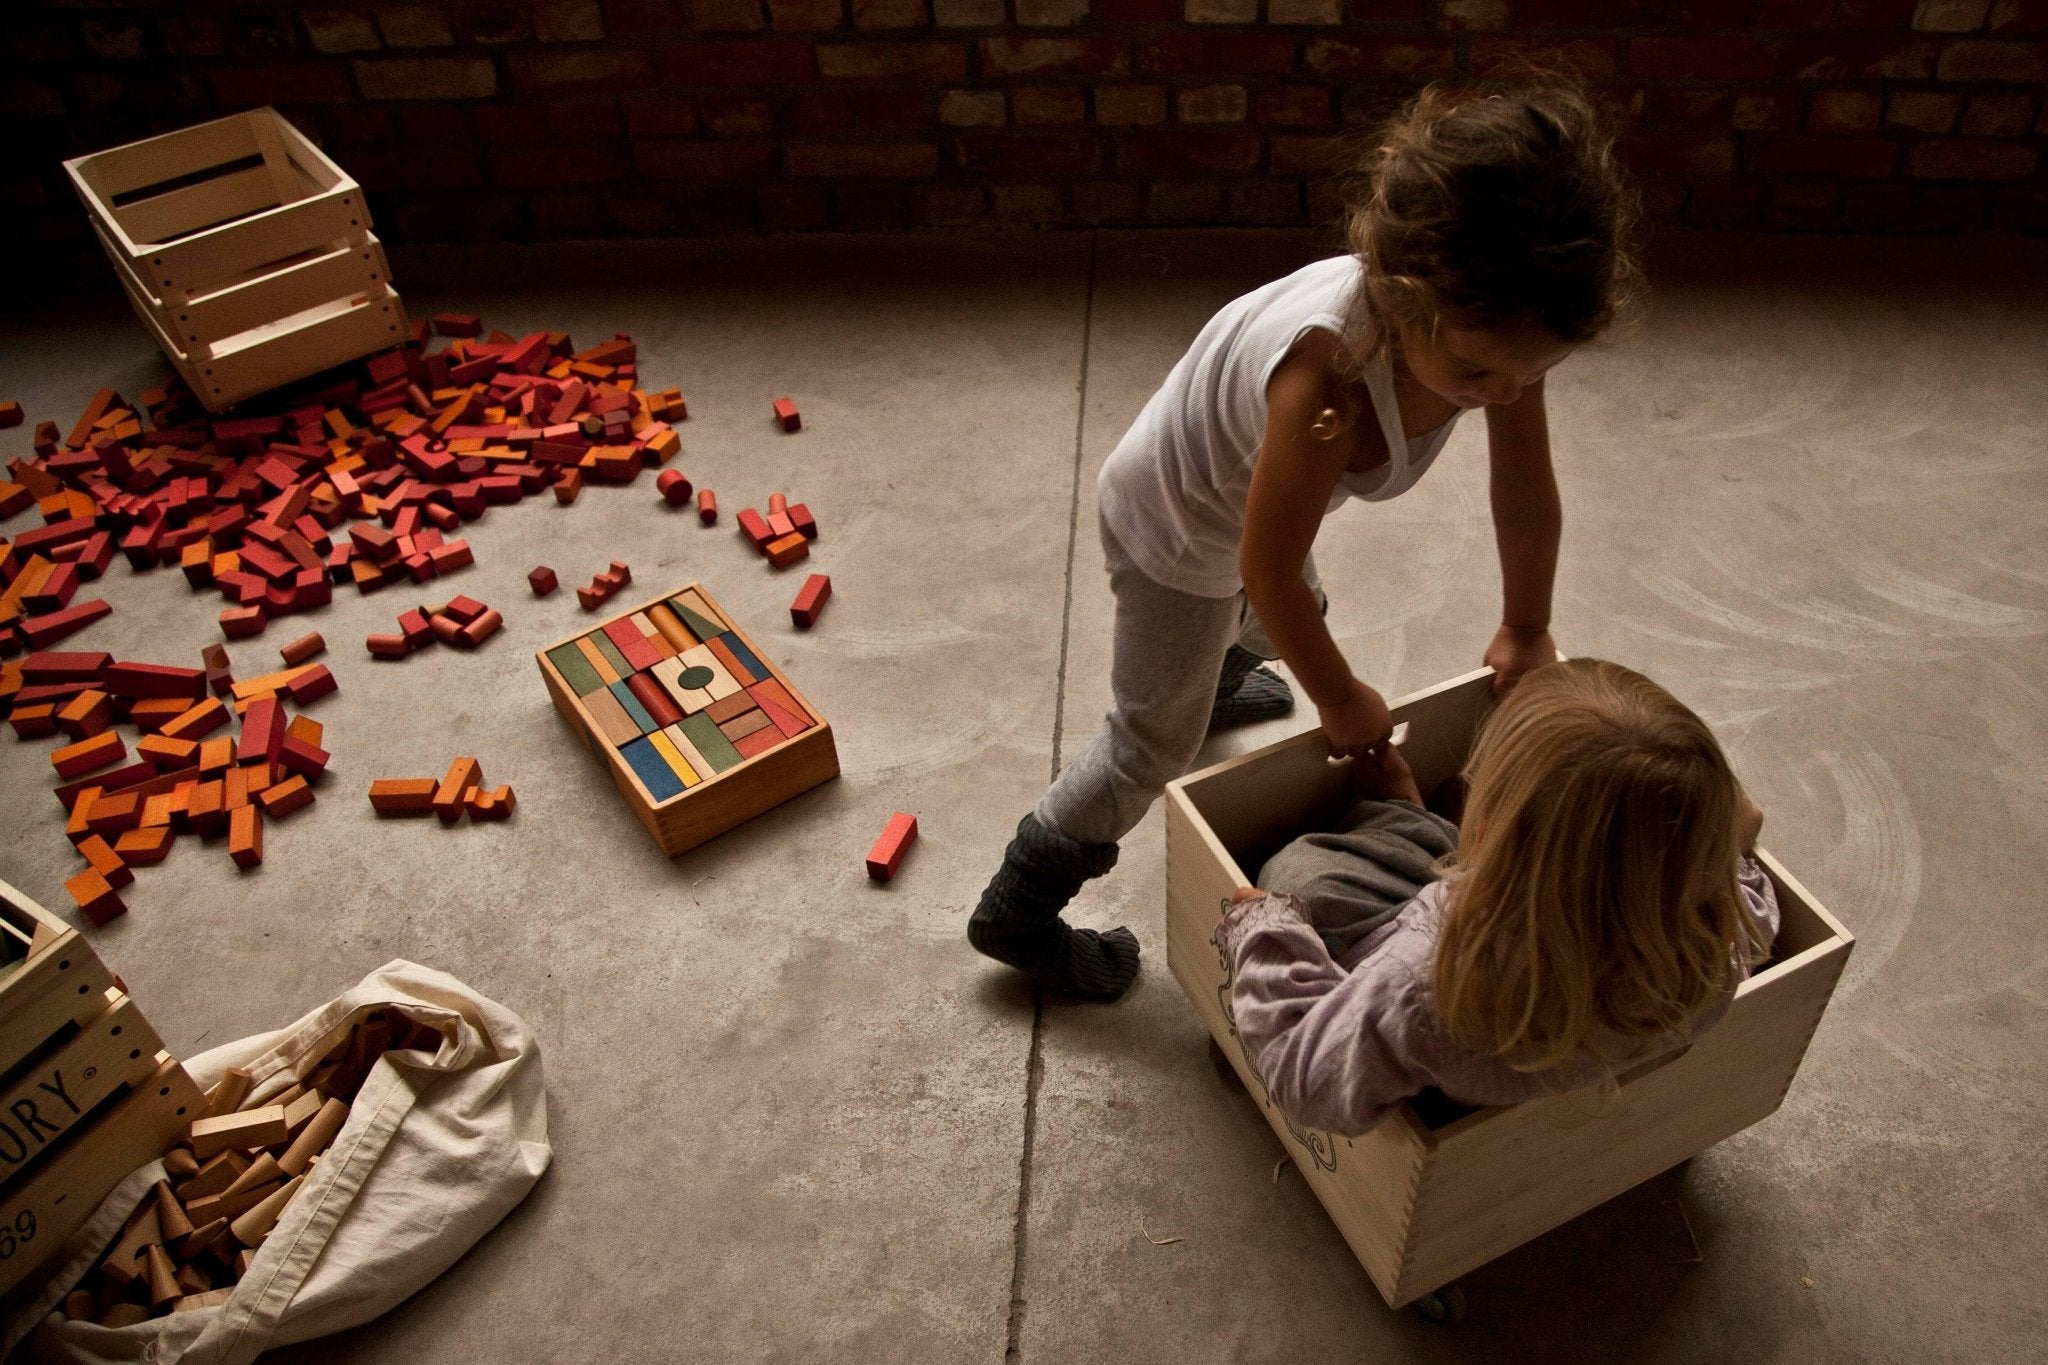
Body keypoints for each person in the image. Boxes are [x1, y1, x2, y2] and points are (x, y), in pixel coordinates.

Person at [968, 77, 1642, 1001]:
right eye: (1476, 373)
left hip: (1256, 503)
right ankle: (1021, 905)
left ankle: (1216, 676)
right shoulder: (1325, 376)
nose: (1502, 394)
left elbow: (1522, 494)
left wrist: (1528, 623)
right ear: (1404, 299)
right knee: (1152, 739)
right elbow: (1262, 567)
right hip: (1175, 522)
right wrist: (1345, 700)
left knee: (1297, 613)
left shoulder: (1500, 339)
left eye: (1529, 375)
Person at [1216, 659, 1780, 1137]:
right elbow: (1745, 827)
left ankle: (1410, 823)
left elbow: (1305, 1078)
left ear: (1488, 843)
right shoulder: (1715, 938)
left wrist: (1264, 927)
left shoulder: (1430, 980)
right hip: (1514, 1029)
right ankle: (1418, 826)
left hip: (1428, 1004)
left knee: (1300, 876)